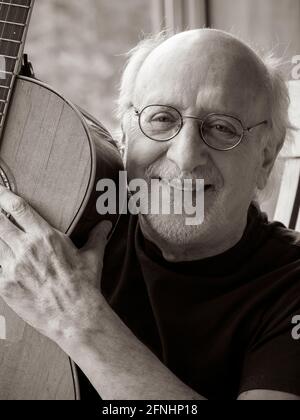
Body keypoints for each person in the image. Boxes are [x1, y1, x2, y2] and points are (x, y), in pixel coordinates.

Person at [0, 28, 300, 401]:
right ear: (124, 135)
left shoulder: (292, 286)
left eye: (223, 128)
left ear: (266, 159)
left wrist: (78, 318)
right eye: (162, 119)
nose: (185, 155)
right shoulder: (64, 226)